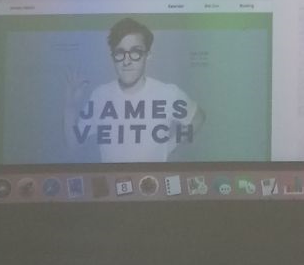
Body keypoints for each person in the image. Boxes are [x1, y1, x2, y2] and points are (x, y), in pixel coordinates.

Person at [64, 18, 204, 163]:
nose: (127, 61)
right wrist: (70, 106)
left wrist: (170, 146)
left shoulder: (167, 93)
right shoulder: (100, 95)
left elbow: (198, 117)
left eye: (135, 52)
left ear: (148, 55)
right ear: (113, 57)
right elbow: (74, 144)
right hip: (113, 176)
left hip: (153, 176)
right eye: (120, 52)